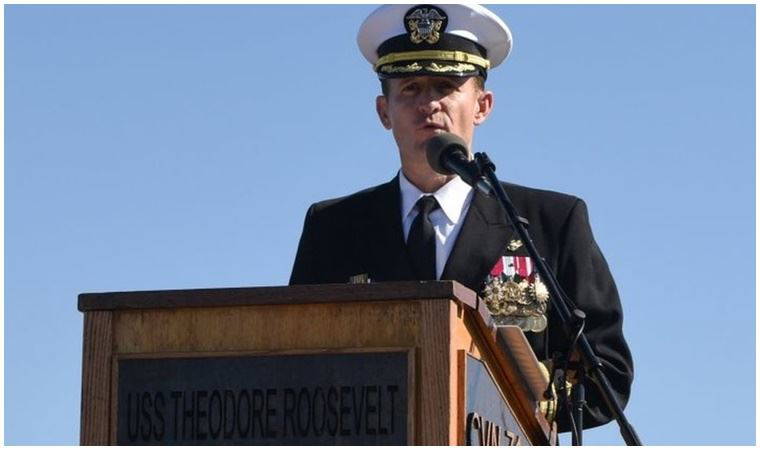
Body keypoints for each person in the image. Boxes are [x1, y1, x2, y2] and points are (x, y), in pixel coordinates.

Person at [289, 4, 632, 432]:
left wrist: (509, 409)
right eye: (410, 88)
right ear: (383, 111)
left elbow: (607, 375)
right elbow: (296, 362)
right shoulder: (334, 228)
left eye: (446, 86)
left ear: (482, 105)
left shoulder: (551, 223)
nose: (429, 104)